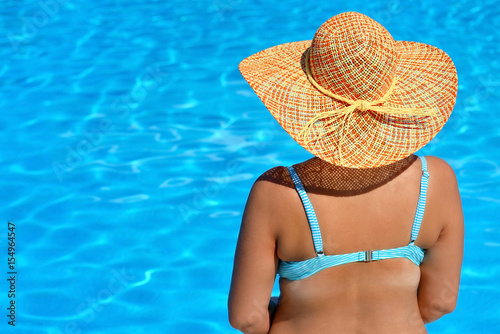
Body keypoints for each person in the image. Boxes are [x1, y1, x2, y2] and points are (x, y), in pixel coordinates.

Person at [228, 12, 464, 334]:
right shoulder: (435, 180)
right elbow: (441, 302)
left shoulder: (278, 191)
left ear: (309, 101)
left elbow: (247, 317)